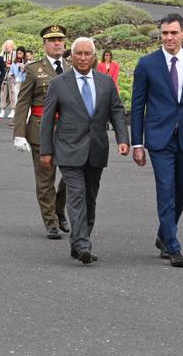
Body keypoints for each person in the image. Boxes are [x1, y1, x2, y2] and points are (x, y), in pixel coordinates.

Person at [131, 13, 183, 267]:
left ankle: (163, 234)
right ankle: (173, 247)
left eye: (173, 33)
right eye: (164, 33)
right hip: (159, 138)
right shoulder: (147, 64)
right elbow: (137, 107)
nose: (168, 37)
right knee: (166, 189)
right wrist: (137, 143)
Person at [39, 37, 130, 264]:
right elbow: (47, 120)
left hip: (97, 150)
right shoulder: (59, 83)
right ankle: (82, 244)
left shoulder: (106, 82)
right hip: (69, 150)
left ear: (94, 56)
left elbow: (117, 111)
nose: (82, 58)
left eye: (87, 54)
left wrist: (122, 138)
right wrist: (46, 152)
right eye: (78, 53)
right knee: (76, 196)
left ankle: (79, 241)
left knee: (90, 199)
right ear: (71, 55)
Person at [13, 25, 70, 240]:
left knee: (71, 175)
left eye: (60, 39)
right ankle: (51, 222)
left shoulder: (72, 66)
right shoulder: (33, 69)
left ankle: (59, 208)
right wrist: (19, 133)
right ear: (44, 44)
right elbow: (23, 103)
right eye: (52, 40)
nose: (57, 43)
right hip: (40, 129)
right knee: (45, 179)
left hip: (68, 131)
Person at [7, 47, 27, 119]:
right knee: (15, 97)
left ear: (24, 54)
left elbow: (30, 73)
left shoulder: (27, 62)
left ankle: (24, 114)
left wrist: (24, 67)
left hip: (24, 83)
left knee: (23, 98)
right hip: (16, 82)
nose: (19, 55)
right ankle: (15, 112)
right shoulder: (14, 63)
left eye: (20, 53)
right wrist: (10, 76)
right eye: (18, 53)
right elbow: (10, 73)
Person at [0, 40, 15, 118]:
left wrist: (10, 66)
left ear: (12, 46)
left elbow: (16, 64)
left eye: (8, 46)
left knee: (12, 92)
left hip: (12, 76)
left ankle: (13, 110)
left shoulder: (14, 54)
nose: (7, 47)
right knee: (3, 93)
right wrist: (2, 51)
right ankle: (2, 110)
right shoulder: (3, 54)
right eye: (5, 46)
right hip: (3, 75)